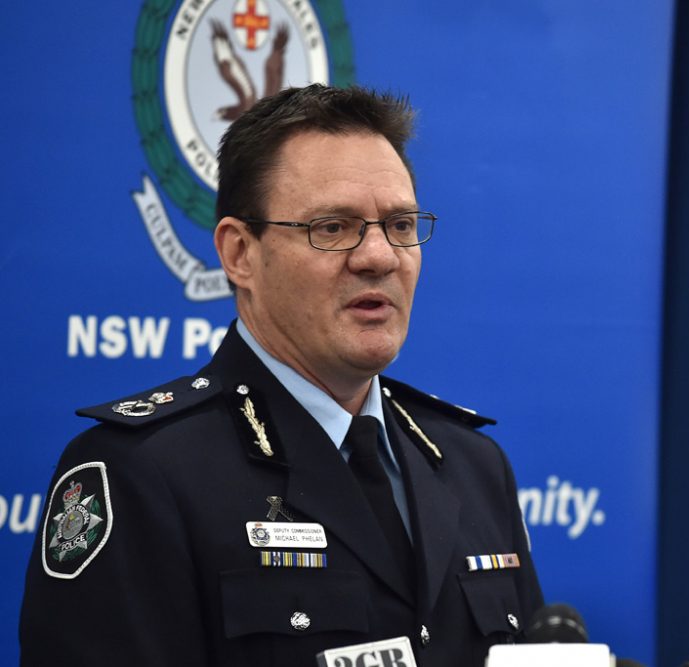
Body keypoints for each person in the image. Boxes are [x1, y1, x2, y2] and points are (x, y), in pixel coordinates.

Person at [20, 84, 543, 666]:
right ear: (240, 253)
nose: (380, 256)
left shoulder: (473, 465)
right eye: (333, 227)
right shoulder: (144, 473)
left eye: (400, 224)